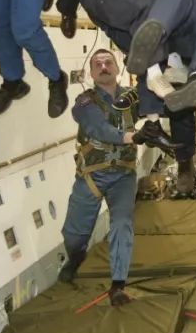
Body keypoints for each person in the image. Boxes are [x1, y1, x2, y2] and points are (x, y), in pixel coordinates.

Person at [57, 50, 179, 305]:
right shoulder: (84, 103)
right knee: (74, 235)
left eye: (108, 62)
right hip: (91, 176)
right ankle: (76, 257)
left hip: (123, 175)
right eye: (98, 64)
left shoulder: (132, 97)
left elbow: (159, 106)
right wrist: (134, 137)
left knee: (122, 224)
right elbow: (99, 129)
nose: (103, 66)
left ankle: (118, 285)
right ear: (91, 73)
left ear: (116, 68)